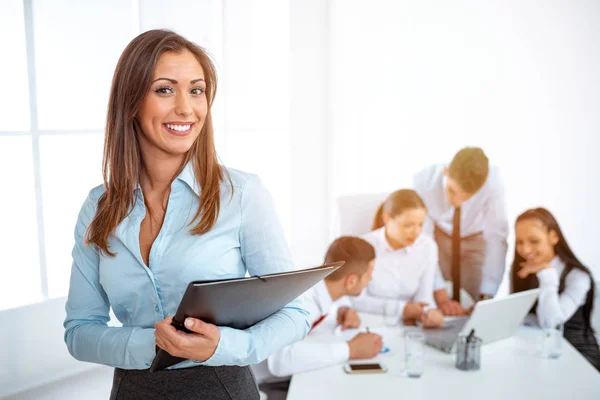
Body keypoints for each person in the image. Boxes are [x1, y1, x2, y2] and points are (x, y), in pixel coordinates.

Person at [63, 30, 309, 400]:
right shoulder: (99, 207)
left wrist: (221, 346)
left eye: (196, 90)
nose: (186, 108)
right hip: (132, 390)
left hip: (222, 388)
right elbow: (79, 332)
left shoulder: (242, 195)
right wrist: (156, 345)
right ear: (131, 101)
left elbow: (295, 315)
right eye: (165, 89)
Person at [258, 236, 383, 400]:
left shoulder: (315, 280)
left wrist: (343, 308)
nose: (371, 278)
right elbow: (280, 361)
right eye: (369, 273)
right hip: (265, 385)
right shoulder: (304, 301)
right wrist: (351, 349)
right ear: (351, 281)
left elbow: (333, 296)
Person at [413, 147, 508, 315]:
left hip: (475, 238)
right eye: (452, 191)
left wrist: (486, 296)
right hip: (439, 237)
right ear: (445, 171)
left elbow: (496, 239)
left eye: (466, 197)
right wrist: (441, 296)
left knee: (472, 305)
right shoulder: (423, 183)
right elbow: (423, 243)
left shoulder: (493, 183)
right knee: (438, 301)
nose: (457, 202)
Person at [511, 208, 600, 371]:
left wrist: (547, 275)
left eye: (534, 241)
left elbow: (551, 324)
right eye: (520, 242)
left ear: (554, 237)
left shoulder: (578, 276)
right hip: (541, 351)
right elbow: (525, 316)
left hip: (580, 356)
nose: (526, 250)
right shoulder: (523, 269)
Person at [351, 189, 445, 328]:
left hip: (410, 326)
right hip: (369, 324)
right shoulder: (363, 246)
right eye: (408, 225)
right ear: (387, 219)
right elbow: (355, 300)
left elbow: (424, 298)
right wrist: (402, 309)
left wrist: (428, 312)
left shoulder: (427, 247)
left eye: (420, 224)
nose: (417, 232)